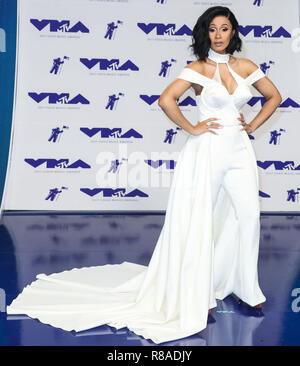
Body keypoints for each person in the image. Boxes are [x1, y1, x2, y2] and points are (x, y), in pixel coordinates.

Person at [6, 6, 282, 344]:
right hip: (207, 151)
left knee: (249, 216)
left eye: (225, 29)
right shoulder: (197, 68)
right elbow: (166, 100)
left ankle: (246, 287)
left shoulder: (247, 67)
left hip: (239, 151)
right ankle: (199, 292)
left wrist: (251, 124)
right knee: (200, 221)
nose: (219, 35)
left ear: (233, 32)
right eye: (212, 29)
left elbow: (274, 96)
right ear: (205, 33)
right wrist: (193, 128)